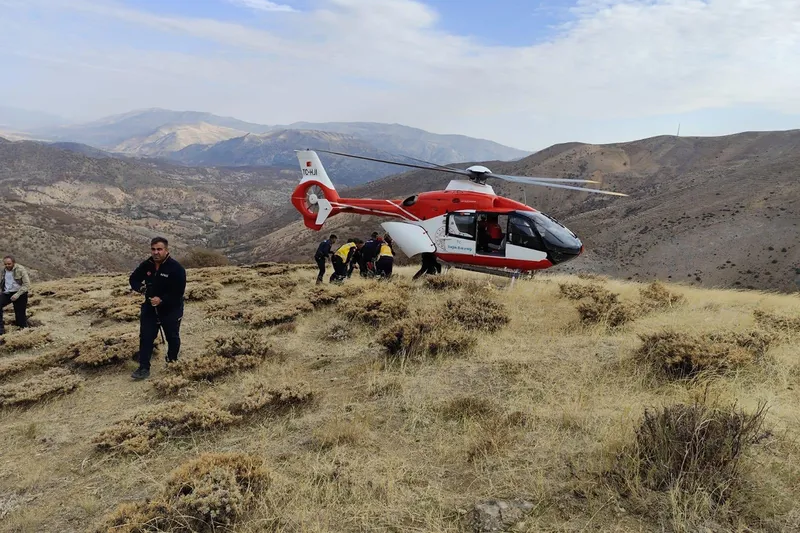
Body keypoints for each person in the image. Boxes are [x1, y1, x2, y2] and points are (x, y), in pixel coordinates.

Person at [128, 237, 186, 380]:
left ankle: (172, 361)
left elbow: (179, 292)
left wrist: (162, 299)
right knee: (146, 337)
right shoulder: (147, 265)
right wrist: (141, 289)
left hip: (171, 308)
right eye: (153, 249)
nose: (156, 252)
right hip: (150, 308)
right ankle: (143, 368)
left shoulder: (176, 268)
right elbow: (133, 279)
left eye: (159, 249)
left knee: (172, 337)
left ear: (166, 250)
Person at [0, 255, 31, 335]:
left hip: (20, 293)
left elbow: (27, 284)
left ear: (13, 263)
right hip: (7, 292)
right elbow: (4, 282)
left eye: (9, 264)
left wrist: (17, 295)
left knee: (20, 316)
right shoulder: (4, 270)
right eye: (5, 264)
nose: (7, 265)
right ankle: (1, 330)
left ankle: (23, 332)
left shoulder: (20, 269)